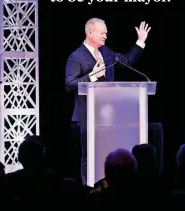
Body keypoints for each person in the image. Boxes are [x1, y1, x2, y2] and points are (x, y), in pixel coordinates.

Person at [65, 17, 151, 185]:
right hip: (87, 116)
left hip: (109, 115)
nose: (105, 36)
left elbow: (126, 61)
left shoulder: (106, 52)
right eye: (102, 33)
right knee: (89, 155)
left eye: (106, 33)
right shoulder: (76, 57)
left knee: (108, 153)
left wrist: (140, 42)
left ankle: (111, 187)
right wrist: (92, 76)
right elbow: (69, 84)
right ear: (90, 32)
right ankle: (88, 189)